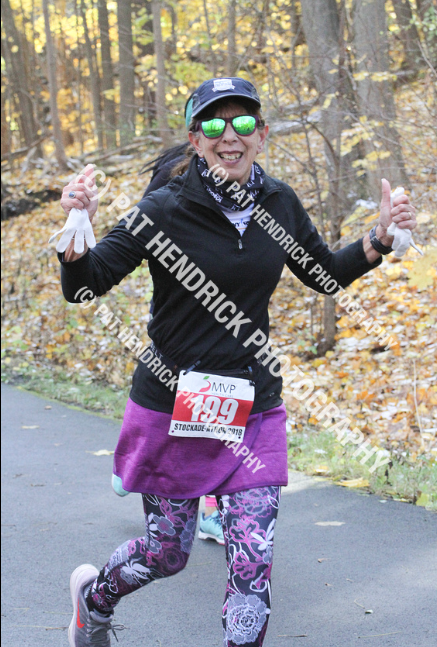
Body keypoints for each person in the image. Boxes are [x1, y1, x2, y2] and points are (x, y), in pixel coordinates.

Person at [55, 77, 417, 647]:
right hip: (174, 405)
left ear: (262, 134)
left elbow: (322, 273)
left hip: (252, 406)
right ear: (195, 139)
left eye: (244, 123)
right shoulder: (164, 209)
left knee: (252, 560)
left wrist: (379, 239)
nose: (231, 135)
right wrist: (76, 238)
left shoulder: (279, 202)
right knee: (166, 553)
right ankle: (93, 600)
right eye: (215, 124)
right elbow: (86, 285)